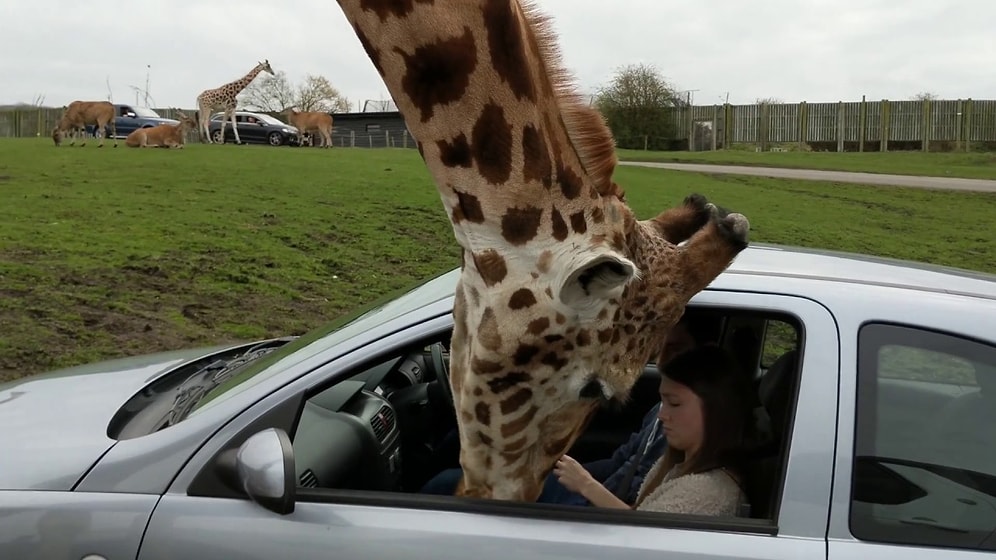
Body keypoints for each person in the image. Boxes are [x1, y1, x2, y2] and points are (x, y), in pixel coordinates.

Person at [420, 314, 719, 505]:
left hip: (596, 508)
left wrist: (583, 485)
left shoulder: (690, 428)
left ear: (703, 351)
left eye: (677, 349)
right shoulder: (664, 406)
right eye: (662, 347)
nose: (664, 359)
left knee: (446, 485)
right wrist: (554, 468)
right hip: (594, 491)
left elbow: (642, 513)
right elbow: (622, 460)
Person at [552, 344, 755, 516]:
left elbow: (643, 535)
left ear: (715, 410)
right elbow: (641, 514)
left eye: (674, 404)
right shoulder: (676, 464)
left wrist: (587, 485)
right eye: (663, 402)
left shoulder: (706, 491)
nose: (662, 415)